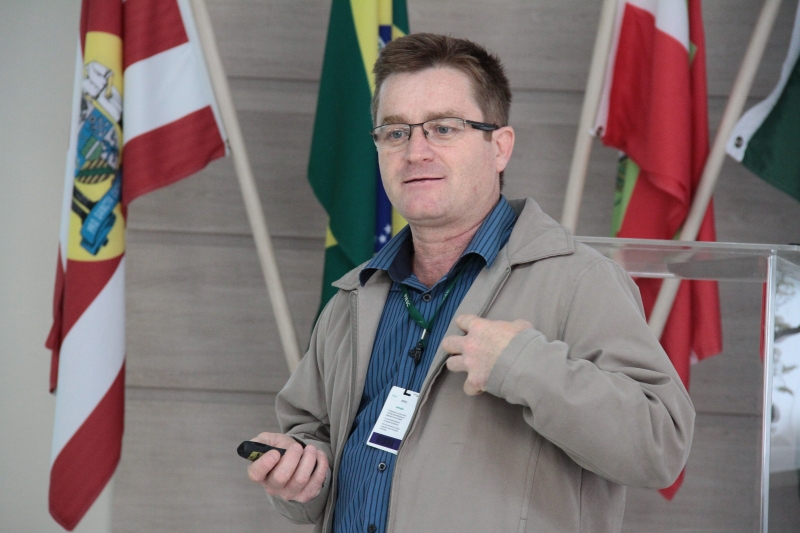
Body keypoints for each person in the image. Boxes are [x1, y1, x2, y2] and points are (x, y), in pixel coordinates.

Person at [246, 33, 695, 533]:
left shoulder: (580, 280)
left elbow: (661, 447)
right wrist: (303, 474)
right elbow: (316, 437)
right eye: (395, 132)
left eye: (443, 128)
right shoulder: (354, 297)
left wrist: (525, 366)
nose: (415, 151)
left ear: (499, 147)